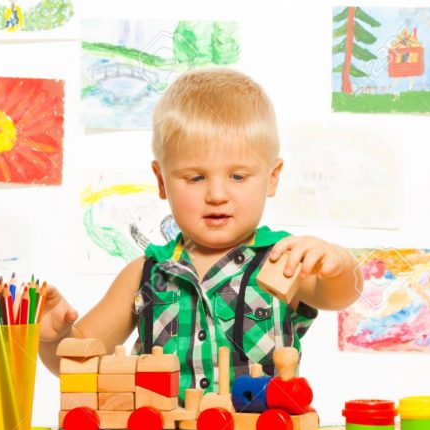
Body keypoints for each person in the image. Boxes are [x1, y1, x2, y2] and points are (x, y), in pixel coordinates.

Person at [38, 68, 363, 399]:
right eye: (195, 178)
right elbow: (76, 361)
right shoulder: (146, 274)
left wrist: (337, 263)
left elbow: (340, 293)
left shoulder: (284, 260)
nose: (217, 194)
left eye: (238, 176)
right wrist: (53, 338)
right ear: (162, 181)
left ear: (272, 177)